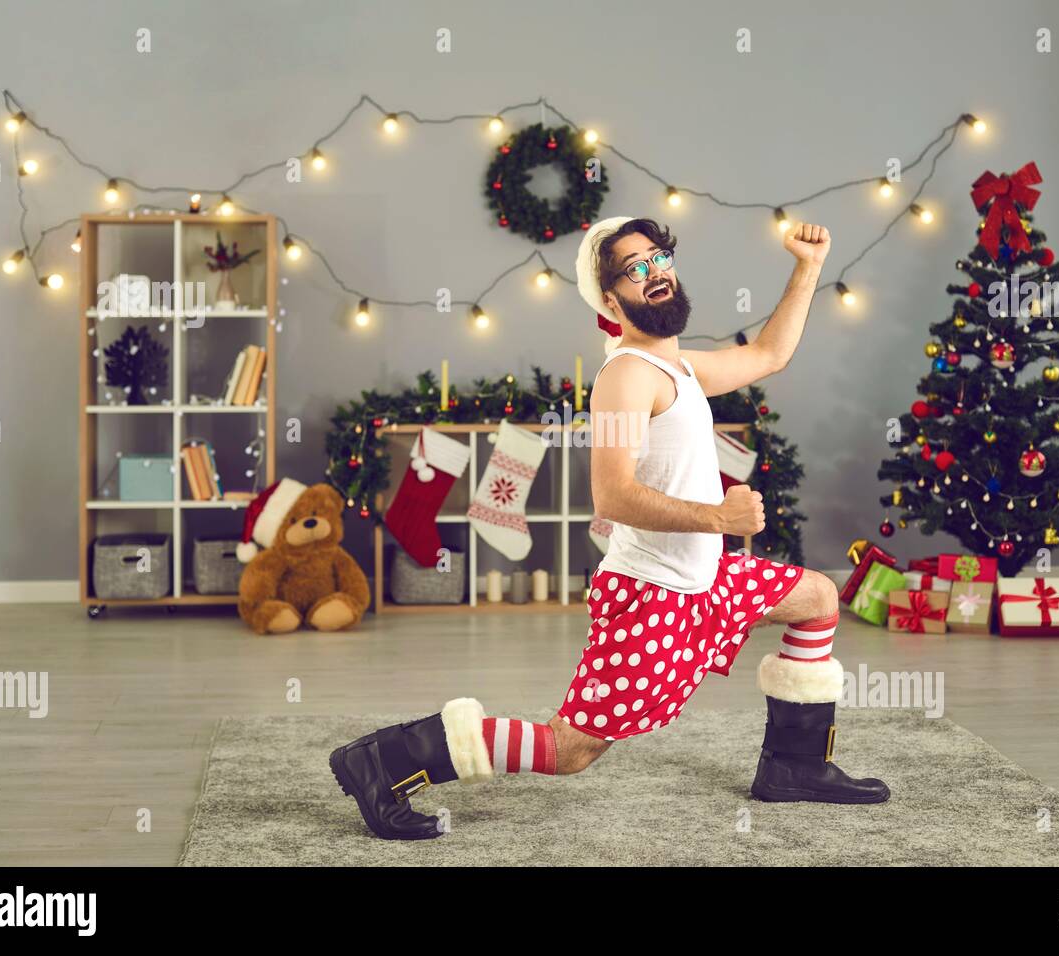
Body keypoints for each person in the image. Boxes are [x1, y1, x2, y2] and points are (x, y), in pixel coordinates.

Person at [329, 216, 889, 841]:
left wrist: (808, 267)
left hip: (708, 580)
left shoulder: (678, 367)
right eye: (633, 269)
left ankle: (795, 766)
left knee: (816, 597)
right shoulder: (625, 378)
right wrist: (717, 518)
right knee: (571, 750)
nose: (654, 274)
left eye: (658, 259)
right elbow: (612, 494)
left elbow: (768, 355)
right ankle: (386, 758)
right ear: (610, 299)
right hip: (655, 598)